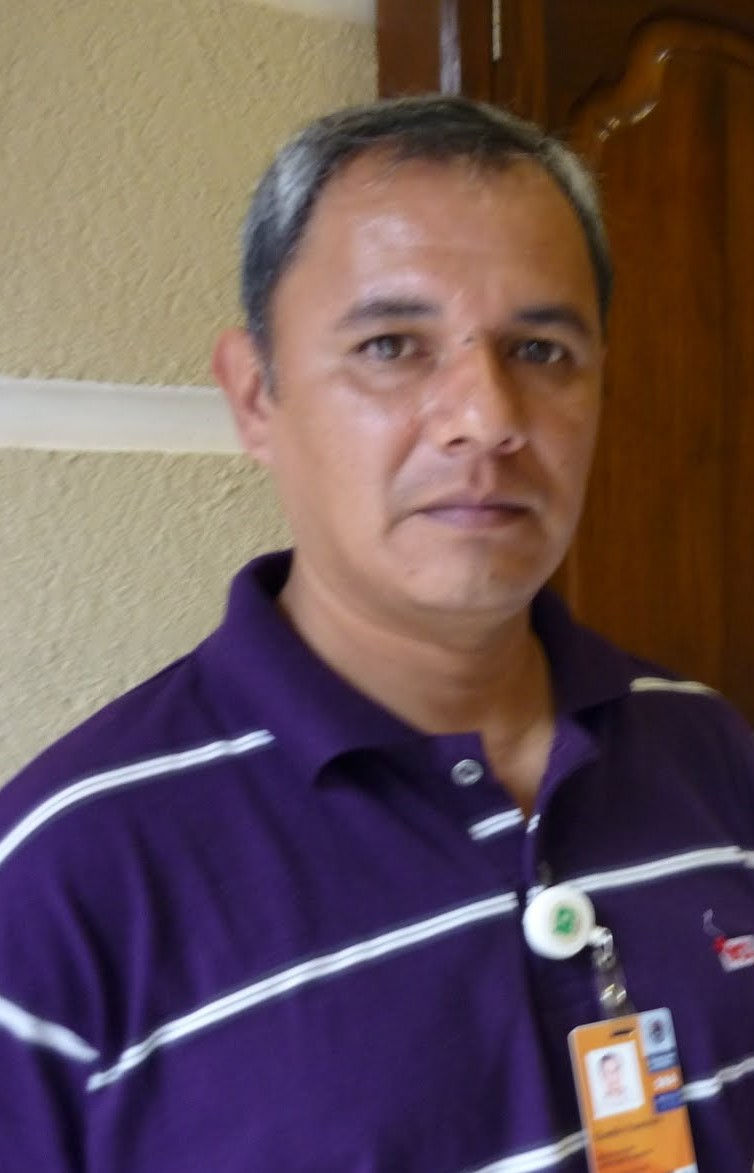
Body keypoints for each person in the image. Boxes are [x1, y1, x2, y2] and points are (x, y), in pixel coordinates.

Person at [0, 96, 752, 1173]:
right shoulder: (56, 887)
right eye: (392, 345)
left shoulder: (709, 752)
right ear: (255, 396)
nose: (486, 418)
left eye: (540, 350)